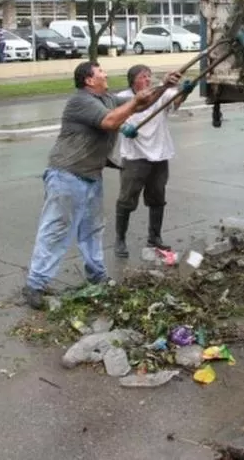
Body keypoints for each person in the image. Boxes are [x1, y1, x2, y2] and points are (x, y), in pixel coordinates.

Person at [22, 61, 180, 310]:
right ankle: (35, 284)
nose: (105, 75)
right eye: (100, 73)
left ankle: (97, 275)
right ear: (88, 80)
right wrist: (135, 104)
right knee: (56, 230)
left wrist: (164, 86)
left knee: (93, 230)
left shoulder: (106, 98)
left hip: (91, 176)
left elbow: (142, 102)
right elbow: (109, 122)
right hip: (67, 176)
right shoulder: (81, 101)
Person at [112, 64, 195, 257]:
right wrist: (123, 128)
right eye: (143, 77)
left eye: (149, 77)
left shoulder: (161, 93)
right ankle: (120, 240)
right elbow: (114, 119)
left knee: (157, 198)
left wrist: (185, 92)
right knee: (126, 200)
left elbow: (176, 100)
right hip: (135, 157)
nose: (147, 80)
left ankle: (154, 237)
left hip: (159, 154)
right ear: (133, 80)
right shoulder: (123, 98)